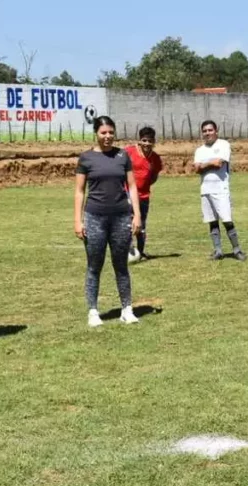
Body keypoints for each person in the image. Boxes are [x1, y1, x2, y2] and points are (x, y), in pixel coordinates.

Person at [74, 115, 143, 327]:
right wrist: (78, 220)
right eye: (103, 132)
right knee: (94, 266)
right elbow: (79, 191)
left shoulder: (123, 156)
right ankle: (93, 312)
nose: (107, 136)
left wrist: (137, 215)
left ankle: (127, 309)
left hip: (121, 217)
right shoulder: (86, 158)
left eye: (111, 132)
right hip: (94, 218)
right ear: (96, 133)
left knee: (121, 265)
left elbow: (132, 186)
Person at [194, 120, 247, 262]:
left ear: (216, 131)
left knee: (227, 220)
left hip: (221, 189)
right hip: (205, 189)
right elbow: (197, 169)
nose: (207, 133)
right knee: (212, 221)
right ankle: (218, 251)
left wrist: (205, 164)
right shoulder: (200, 150)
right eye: (204, 131)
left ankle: (237, 250)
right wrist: (210, 163)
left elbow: (219, 163)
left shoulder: (223, 144)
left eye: (210, 130)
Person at [126, 126, 163, 261]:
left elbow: (154, 176)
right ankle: (129, 251)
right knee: (128, 223)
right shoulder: (129, 152)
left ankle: (140, 253)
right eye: (144, 140)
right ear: (139, 141)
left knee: (141, 224)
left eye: (150, 141)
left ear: (154, 142)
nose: (147, 144)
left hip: (144, 196)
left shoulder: (156, 158)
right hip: (127, 194)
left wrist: (145, 184)